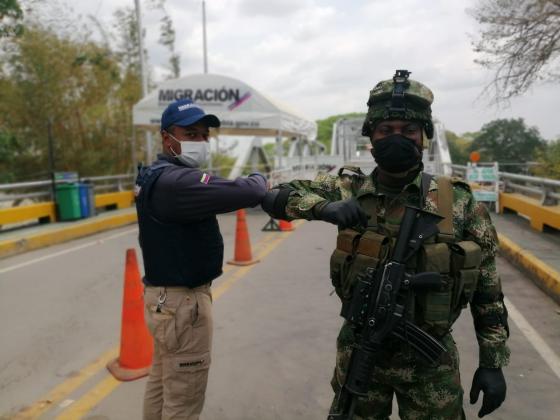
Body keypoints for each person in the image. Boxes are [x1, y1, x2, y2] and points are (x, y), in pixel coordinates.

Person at [262, 70, 510, 419]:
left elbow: (488, 290)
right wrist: (324, 207)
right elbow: (275, 196)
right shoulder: (349, 189)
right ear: (371, 137)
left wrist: (493, 362)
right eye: (385, 130)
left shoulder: (457, 202)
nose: (397, 138)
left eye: (408, 131)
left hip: (429, 361)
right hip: (361, 352)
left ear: (424, 137)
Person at [135, 98, 267, 420]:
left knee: (162, 384)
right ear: (168, 138)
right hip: (184, 307)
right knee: (183, 402)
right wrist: (259, 178)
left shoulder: (154, 174)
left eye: (205, 136)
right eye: (191, 134)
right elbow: (248, 192)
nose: (201, 142)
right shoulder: (178, 182)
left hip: (163, 302)